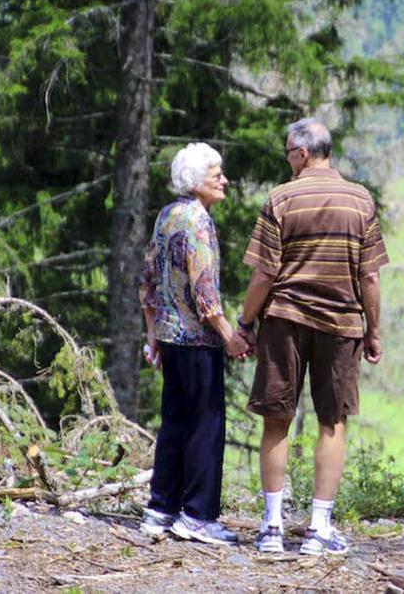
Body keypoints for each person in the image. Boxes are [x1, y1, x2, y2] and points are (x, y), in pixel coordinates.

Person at [236, 118, 388, 555]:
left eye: (288, 153)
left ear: (302, 154)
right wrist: (374, 331)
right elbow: (370, 276)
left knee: (276, 421)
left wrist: (245, 324)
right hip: (341, 325)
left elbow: (265, 273)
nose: (287, 161)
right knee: (332, 423)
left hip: (284, 320)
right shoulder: (360, 200)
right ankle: (319, 529)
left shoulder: (280, 198)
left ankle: (271, 528)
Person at [137, 142, 249, 546]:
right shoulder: (199, 222)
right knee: (206, 425)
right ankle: (198, 515)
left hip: (169, 337)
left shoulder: (167, 215)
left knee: (175, 423)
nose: (224, 180)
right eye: (216, 173)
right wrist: (230, 336)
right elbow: (205, 292)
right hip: (198, 340)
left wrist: (152, 337)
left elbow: (147, 280)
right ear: (196, 180)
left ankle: (160, 508)